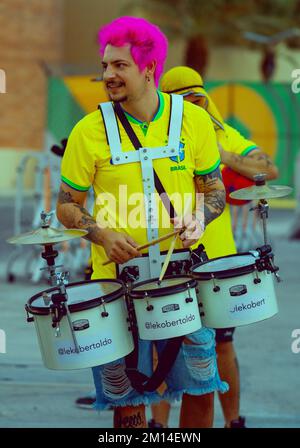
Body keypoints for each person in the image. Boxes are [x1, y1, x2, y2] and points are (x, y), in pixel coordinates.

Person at [56, 17, 228, 428]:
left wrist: (199, 218)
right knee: (127, 400)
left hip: (182, 280)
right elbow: (66, 205)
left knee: (200, 388)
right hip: (116, 285)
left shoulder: (194, 121)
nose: (107, 75)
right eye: (105, 66)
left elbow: (215, 191)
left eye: (119, 66)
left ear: (149, 69)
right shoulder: (88, 129)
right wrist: (99, 232)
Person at [147, 66, 278, 428]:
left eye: (198, 98)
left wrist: (220, 153)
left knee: (220, 345)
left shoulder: (223, 131)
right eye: (184, 99)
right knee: (166, 348)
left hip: (216, 259)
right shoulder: (156, 133)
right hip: (168, 256)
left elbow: (270, 169)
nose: (194, 105)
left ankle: (233, 421)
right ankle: (158, 427)